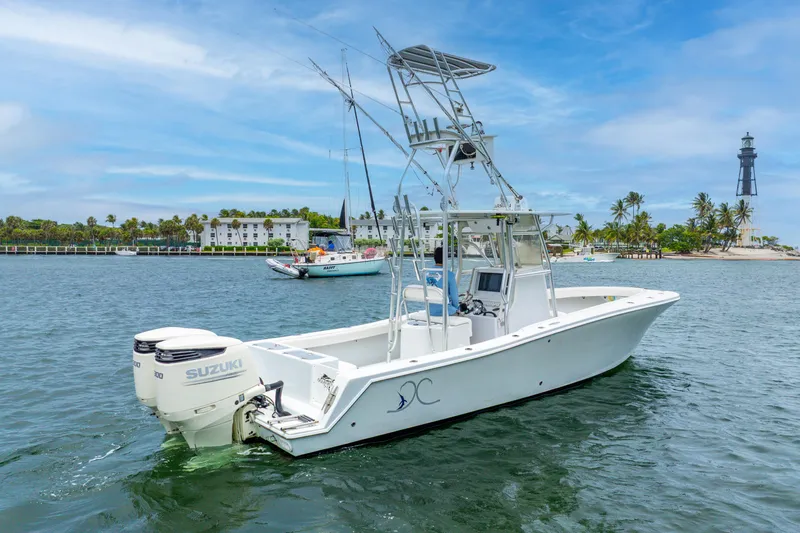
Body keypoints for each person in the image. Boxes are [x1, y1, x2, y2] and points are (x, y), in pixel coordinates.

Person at [426, 246, 459, 316]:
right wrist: (456, 309)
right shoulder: (449, 275)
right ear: (445, 259)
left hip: (430, 311)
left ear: (434, 258)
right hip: (446, 310)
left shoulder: (427, 273)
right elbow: (454, 297)